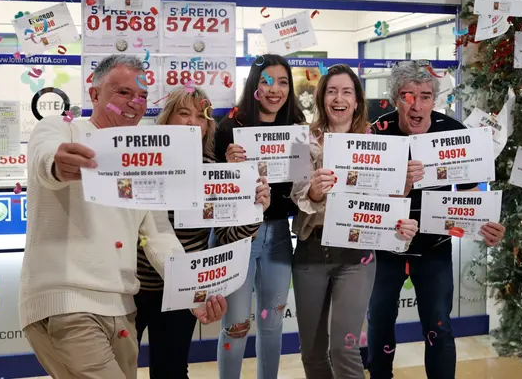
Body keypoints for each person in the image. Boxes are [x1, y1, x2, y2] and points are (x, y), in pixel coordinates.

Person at [18, 55, 226, 379]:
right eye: (124, 92)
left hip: (122, 310)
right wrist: (57, 165)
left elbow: (158, 234)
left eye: (142, 96)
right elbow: (46, 156)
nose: (135, 103)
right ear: (95, 93)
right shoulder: (63, 129)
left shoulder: (142, 159)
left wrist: (192, 290)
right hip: (68, 305)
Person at [366, 61, 507, 379]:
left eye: (426, 96)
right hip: (386, 248)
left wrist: (488, 225)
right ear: (395, 98)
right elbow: (365, 198)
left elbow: (473, 193)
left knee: (439, 325)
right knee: (379, 321)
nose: (417, 105)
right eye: (407, 96)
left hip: (435, 246)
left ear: (435, 100)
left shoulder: (454, 131)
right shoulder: (378, 132)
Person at [290, 64, 419, 379]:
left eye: (347, 91)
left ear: (358, 101)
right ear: (322, 99)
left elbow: (389, 205)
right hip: (311, 251)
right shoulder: (300, 141)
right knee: (312, 350)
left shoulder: (380, 145)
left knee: (344, 349)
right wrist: (316, 193)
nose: (339, 98)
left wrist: (404, 201)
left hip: (356, 256)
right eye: (332, 91)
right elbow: (296, 194)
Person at [134, 87, 271, 378]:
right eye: (183, 113)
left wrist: (254, 210)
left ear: (207, 127)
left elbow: (229, 235)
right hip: (131, 288)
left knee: (170, 371)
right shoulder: (139, 163)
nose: (192, 122)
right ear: (166, 119)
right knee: (116, 368)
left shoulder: (213, 170)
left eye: (201, 116)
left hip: (181, 291)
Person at [213, 54, 306, 379]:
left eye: (283, 82)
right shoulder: (229, 128)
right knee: (236, 325)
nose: (275, 90)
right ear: (254, 85)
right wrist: (228, 167)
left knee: (273, 323)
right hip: (238, 236)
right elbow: (211, 188)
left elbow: (302, 189)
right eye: (267, 81)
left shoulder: (297, 127)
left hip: (280, 234)